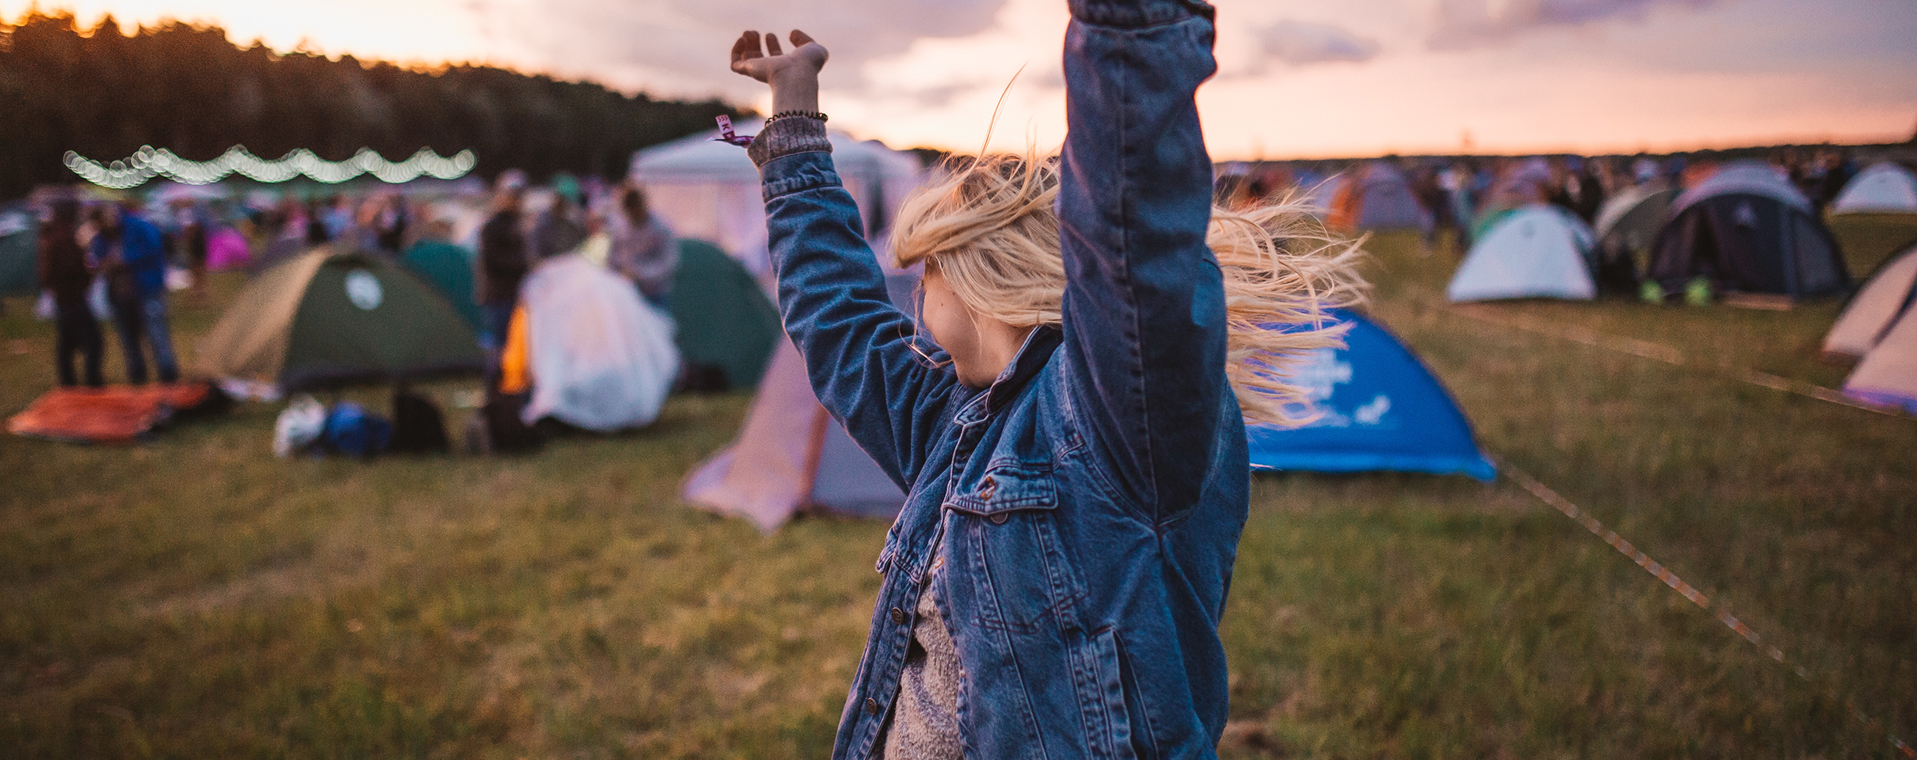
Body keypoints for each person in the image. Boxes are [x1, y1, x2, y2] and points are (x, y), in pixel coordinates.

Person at [728, 6, 1365, 757]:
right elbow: (841, 323)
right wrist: (795, 125)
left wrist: (1129, 25)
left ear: (960, 271)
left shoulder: (1111, 420)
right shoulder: (957, 424)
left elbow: (1134, 228)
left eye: (916, 270)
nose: (906, 295)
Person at [92, 201, 179, 385]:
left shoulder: (137, 225)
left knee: (156, 334)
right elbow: (97, 257)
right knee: (129, 339)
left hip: (146, 289)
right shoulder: (101, 237)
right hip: (120, 294)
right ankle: (138, 378)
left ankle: (168, 376)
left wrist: (126, 259)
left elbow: (155, 246)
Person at [39, 199, 104, 387]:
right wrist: (88, 271)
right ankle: (93, 384)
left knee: (67, 345)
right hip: (72, 298)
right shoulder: (63, 237)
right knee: (93, 342)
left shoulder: (51, 236)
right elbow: (70, 268)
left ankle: (69, 385)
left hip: (64, 298)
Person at [604, 184, 678, 308]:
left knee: (656, 325)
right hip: (627, 291)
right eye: (630, 211)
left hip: (654, 292)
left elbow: (669, 263)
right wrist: (618, 275)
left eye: (636, 208)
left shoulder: (660, 228)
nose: (634, 214)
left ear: (643, 205)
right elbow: (613, 258)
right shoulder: (620, 227)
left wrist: (640, 273)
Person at [477, 187, 529, 350]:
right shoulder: (493, 227)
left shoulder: (516, 225)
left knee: (511, 340)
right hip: (499, 293)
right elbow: (493, 260)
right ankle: (496, 373)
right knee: (501, 341)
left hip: (513, 292)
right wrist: (523, 264)